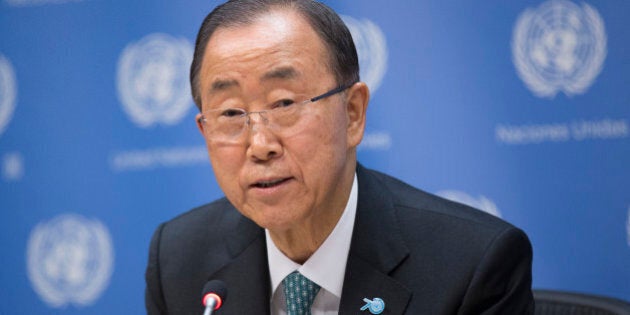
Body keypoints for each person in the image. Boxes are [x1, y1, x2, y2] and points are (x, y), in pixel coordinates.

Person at [145, 0, 534, 314]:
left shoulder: (471, 266)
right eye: (231, 113)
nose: (260, 144)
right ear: (204, 131)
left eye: (284, 103)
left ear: (353, 114)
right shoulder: (179, 261)